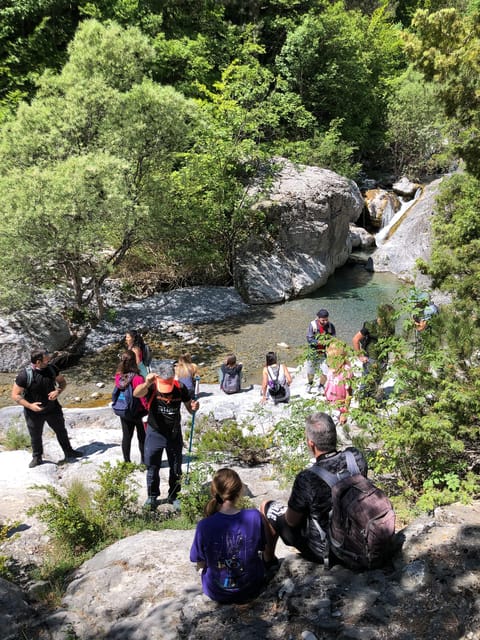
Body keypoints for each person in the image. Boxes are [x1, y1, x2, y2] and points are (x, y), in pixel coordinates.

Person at [260, 412, 367, 565]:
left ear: (311, 444)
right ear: (334, 436)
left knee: (267, 506)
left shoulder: (307, 478)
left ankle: (268, 562)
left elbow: (291, 521)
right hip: (360, 536)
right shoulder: (355, 457)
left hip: (330, 550)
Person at [190, 467, 272, 604]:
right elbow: (263, 548)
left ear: (214, 492)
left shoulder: (204, 525)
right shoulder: (254, 516)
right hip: (251, 587)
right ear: (240, 490)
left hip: (216, 591)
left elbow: (199, 560)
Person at [133, 361, 199, 510]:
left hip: (174, 434)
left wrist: (194, 407)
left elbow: (190, 408)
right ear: (156, 377)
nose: (167, 391)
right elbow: (136, 393)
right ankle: (152, 496)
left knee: (176, 467)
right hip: (154, 433)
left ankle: (174, 496)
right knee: (152, 467)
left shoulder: (180, 388)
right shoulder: (152, 387)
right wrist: (146, 383)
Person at [11, 349, 83, 468]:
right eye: (46, 358)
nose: (49, 359)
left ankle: (69, 451)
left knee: (61, 431)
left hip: (53, 408)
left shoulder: (52, 368)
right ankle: (37, 457)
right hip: (33, 412)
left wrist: (58, 391)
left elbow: (62, 382)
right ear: (38, 362)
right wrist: (30, 406)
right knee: (35, 435)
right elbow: (15, 395)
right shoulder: (25, 375)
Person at [352, 303, 395, 400]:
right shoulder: (370, 325)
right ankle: (362, 401)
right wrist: (360, 356)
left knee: (378, 380)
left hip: (384, 358)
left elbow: (393, 342)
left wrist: (398, 356)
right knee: (367, 381)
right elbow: (355, 339)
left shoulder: (390, 327)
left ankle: (371, 399)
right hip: (370, 358)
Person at [114, 350, 148, 464]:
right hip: (139, 412)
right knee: (142, 437)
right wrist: (148, 409)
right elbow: (142, 397)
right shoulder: (138, 378)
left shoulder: (119, 376)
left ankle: (127, 462)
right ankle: (143, 462)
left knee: (126, 437)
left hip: (124, 410)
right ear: (135, 362)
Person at [305, 309, 336, 391]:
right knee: (310, 370)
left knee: (326, 371)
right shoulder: (313, 326)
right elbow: (309, 339)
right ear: (318, 318)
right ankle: (310, 383)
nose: (325, 321)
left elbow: (334, 338)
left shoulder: (330, 326)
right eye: (323, 320)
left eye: (326, 319)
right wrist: (320, 342)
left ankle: (321, 386)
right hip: (313, 352)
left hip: (325, 353)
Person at [323, 340, 352, 424]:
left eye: (328, 355)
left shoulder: (346, 372)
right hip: (329, 404)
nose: (327, 357)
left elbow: (349, 394)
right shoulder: (331, 368)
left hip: (340, 407)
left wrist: (345, 413)